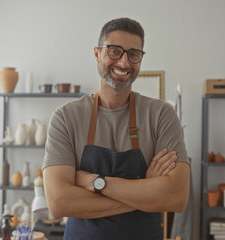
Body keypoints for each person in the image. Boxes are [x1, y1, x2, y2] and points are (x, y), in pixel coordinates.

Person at [43, 17, 190, 240]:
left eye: (133, 54)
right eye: (114, 51)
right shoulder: (66, 118)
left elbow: (176, 197)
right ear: (97, 54)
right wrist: (145, 190)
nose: (123, 63)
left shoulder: (161, 115)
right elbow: (58, 202)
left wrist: (94, 182)